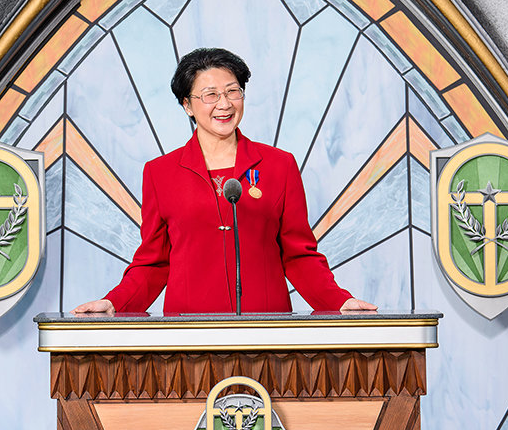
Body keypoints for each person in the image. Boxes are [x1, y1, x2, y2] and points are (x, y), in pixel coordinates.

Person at [73, 48, 376, 315]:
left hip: (267, 330)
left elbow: (299, 255)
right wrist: (114, 303)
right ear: (187, 105)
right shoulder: (160, 173)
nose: (225, 104)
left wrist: (339, 301)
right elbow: (153, 263)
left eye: (233, 92)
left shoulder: (279, 166)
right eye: (210, 95)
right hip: (189, 334)